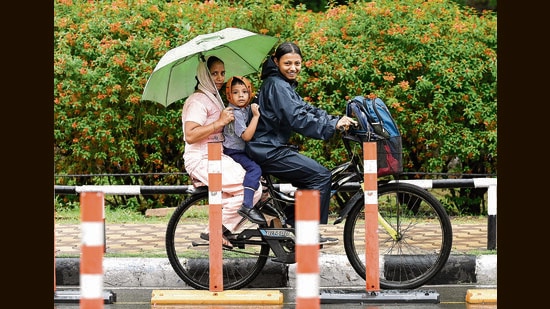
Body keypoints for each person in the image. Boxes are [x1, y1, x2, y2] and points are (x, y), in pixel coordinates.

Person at [245, 42, 357, 244]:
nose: (293, 68)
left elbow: (305, 109)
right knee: (320, 176)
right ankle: (304, 232)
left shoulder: (282, 84)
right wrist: (331, 126)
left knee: (313, 177)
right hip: (267, 149)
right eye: (288, 63)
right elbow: (297, 118)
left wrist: (334, 120)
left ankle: (293, 223)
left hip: (270, 147)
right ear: (276, 61)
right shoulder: (277, 85)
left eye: (297, 63)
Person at [181, 55, 263, 249]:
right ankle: (214, 232)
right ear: (204, 75)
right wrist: (219, 122)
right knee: (252, 189)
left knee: (248, 190)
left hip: (218, 156)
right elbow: (190, 135)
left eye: (222, 73)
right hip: (201, 158)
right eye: (214, 73)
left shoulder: (214, 98)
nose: (219, 78)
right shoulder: (197, 101)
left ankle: (223, 232)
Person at [222, 76, 267, 225]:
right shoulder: (234, 113)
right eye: (235, 92)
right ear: (229, 95)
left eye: (244, 92)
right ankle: (247, 205)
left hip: (242, 150)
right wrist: (256, 116)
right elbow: (246, 136)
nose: (241, 95)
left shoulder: (244, 108)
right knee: (254, 169)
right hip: (234, 152)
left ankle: (261, 200)